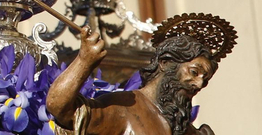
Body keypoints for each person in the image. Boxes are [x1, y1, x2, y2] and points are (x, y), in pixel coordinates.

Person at [46, 13, 235, 135]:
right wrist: (84, 61)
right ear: (165, 63)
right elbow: (59, 107)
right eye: (194, 72)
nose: (199, 84)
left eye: (205, 79)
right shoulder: (125, 108)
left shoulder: (190, 132)